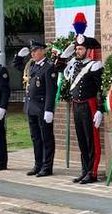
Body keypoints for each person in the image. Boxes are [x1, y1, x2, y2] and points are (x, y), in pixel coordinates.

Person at [55, 13, 104, 184]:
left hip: (90, 105)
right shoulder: (74, 64)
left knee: (92, 140)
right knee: (82, 139)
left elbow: (101, 88)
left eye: (80, 49)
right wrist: (66, 53)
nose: (78, 51)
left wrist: (100, 109)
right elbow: (58, 67)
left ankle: (93, 172)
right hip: (77, 105)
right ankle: (84, 170)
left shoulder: (94, 65)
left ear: (88, 50)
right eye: (76, 49)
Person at [13, 40, 58, 177]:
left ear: (43, 51)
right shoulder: (32, 65)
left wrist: (49, 109)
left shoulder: (48, 67)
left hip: (42, 108)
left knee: (46, 138)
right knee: (36, 138)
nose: (33, 53)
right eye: (31, 51)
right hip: (31, 108)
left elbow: (51, 91)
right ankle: (38, 164)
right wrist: (19, 56)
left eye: (36, 50)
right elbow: (17, 66)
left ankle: (47, 166)